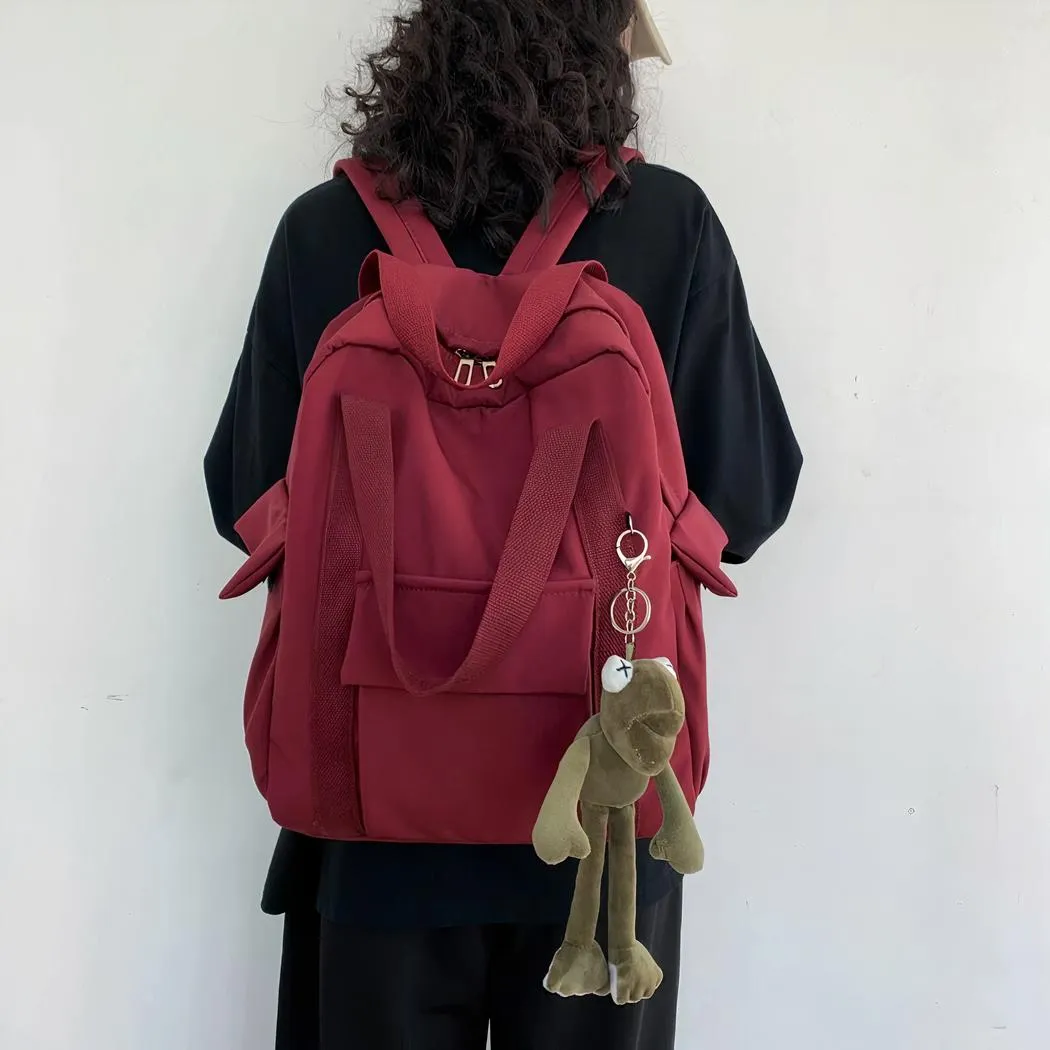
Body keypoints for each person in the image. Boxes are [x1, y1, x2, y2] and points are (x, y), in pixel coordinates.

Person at [205, 1, 801, 1046]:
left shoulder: (323, 230)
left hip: (370, 820)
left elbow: (241, 495)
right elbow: (749, 497)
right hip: (600, 834)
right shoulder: (669, 223)